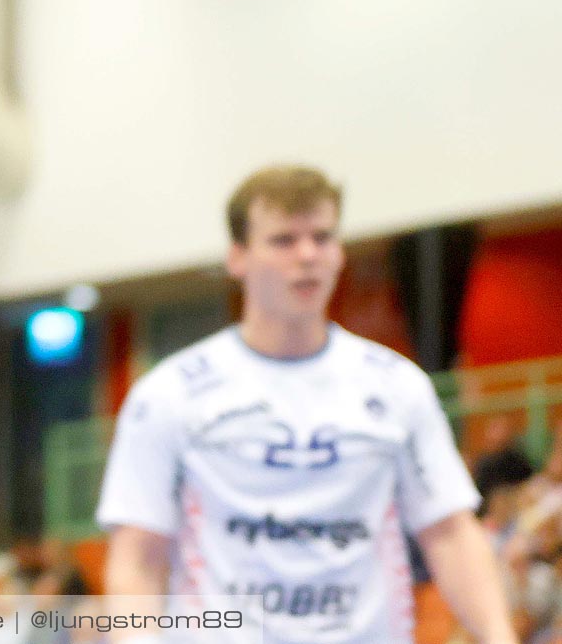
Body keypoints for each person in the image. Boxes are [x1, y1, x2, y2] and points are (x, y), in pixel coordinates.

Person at [96, 165, 517, 644]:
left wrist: (499, 636)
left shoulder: (398, 386)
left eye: (322, 237)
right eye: (283, 240)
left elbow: (450, 533)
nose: (307, 255)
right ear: (238, 257)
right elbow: (137, 558)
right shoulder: (169, 394)